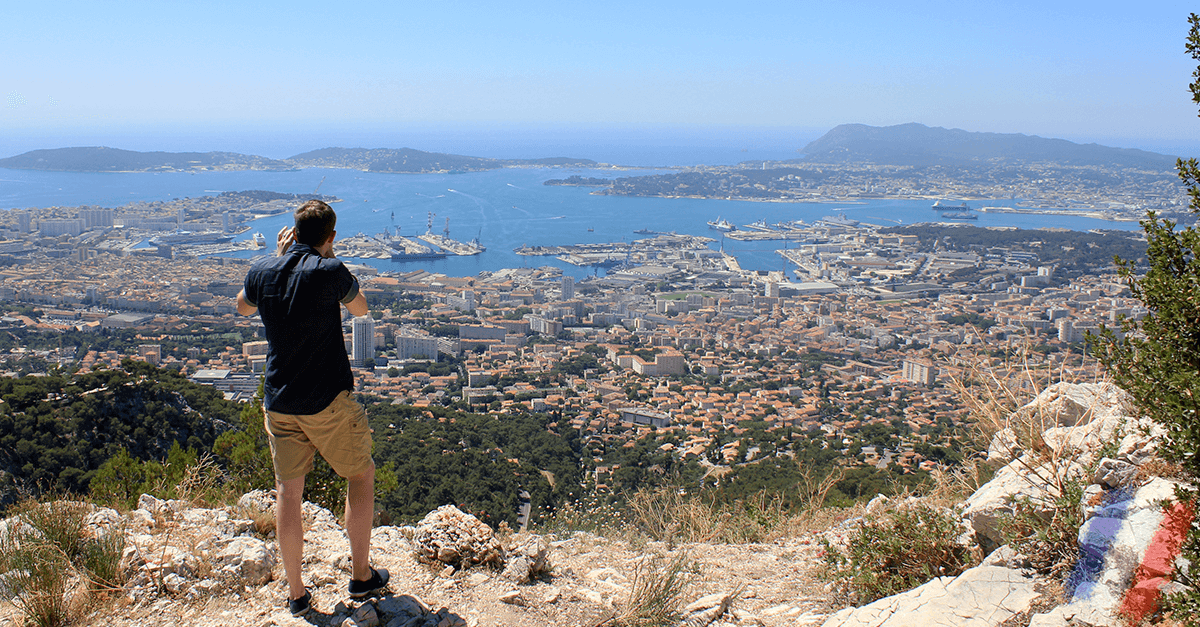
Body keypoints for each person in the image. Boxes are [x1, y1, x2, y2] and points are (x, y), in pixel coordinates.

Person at [236, 199, 388, 616]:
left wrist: (279, 259)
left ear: (293, 232)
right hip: (327, 400)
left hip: (280, 401)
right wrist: (330, 259)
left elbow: (242, 306)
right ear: (330, 238)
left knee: (289, 491)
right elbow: (362, 309)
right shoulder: (330, 271)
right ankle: (360, 577)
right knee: (360, 474)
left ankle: (297, 594)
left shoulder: (262, 269)